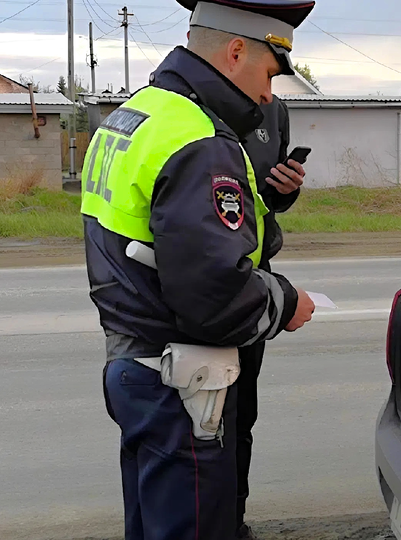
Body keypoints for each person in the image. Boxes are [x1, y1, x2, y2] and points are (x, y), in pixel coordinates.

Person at [80, 0, 317, 538]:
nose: (268, 94)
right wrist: (285, 302)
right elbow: (215, 297)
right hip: (181, 378)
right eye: (268, 74)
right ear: (236, 52)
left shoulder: (138, 112)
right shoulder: (198, 138)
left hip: (132, 361)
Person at [232, 97, 303, 539]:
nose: (269, 90)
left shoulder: (275, 112)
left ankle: (232, 520)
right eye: (268, 71)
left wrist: (285, 190)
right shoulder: (186, 111)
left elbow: (266, 201)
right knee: (201, 426)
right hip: (207, 278)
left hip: (254, 276)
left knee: (241, 417)